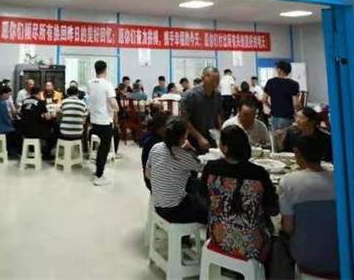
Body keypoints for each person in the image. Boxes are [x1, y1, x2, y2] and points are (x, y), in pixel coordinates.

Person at [199, 125, 278, 261]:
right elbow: (273, 210)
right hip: (253, 244)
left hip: (218, 237)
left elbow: (203, 198)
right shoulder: (258, 173)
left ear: (225, 148)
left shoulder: (211, 168)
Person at [278, 135, 339, 277]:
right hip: (343, 256)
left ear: (297, 153)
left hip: (307, 259)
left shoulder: (288, 181)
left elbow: (288, 228)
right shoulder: (339, 178)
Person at [145, 117, 207, 223]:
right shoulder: (182, 155)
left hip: (158, 206)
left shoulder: (156, 148)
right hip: (175, 211)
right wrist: (190, 150)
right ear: (183, 137)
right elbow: (203, 167)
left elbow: (147, 174)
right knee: (208, 211)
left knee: (191, 189)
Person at [86, 60, 119, 186]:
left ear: (95, 70)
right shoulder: (108, 84)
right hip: (105, 121)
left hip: (94, 120)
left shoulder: (89, 83)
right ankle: (99, 176)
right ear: (105, 70)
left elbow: (92, 97)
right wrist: (117, 108)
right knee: (104, 149)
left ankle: (98, 170)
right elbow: (112, 102)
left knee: (100, 147)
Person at [179, 66, 221, 152]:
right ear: (203, 78)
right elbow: (183, 119)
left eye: (217, 82)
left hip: (211, 138)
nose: (215, 84)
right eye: (212, 81)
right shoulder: (190, 95)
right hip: (193, 139)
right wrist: (199, 137)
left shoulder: (217, 95)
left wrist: (220, 133)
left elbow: (217, 116)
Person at [19, 86, 56, 159]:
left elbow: (21, 113)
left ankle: (32, 149)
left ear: (30, 93)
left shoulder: (24, 101)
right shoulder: (40, 102)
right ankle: (46, 153)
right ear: (39, 93)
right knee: (53, 133)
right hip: (36, 131)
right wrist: (53, 115)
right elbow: (48, 117)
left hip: (24, 130)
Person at [263, 61, 300, 134]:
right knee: (287, 138)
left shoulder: (270, 82)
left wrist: (271, 107)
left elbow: (264, 99)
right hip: (288, 117)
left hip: (274, 116)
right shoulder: (294, 84)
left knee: (276, 138)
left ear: (279, 70)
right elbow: (295, 104)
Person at [139, 110, 168, 190]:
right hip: (153, 180)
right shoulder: (153, 142)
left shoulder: (153, 137)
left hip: (150, 178)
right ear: (162, 127)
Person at [0, 85, 21, 156]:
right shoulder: (2, 103)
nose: (9, 96)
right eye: (9, 94)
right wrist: (13, 122)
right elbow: (6, 118)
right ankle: (16, 151)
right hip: (2, 127)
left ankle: (10, 150)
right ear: (4, 94)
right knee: (16, 132)